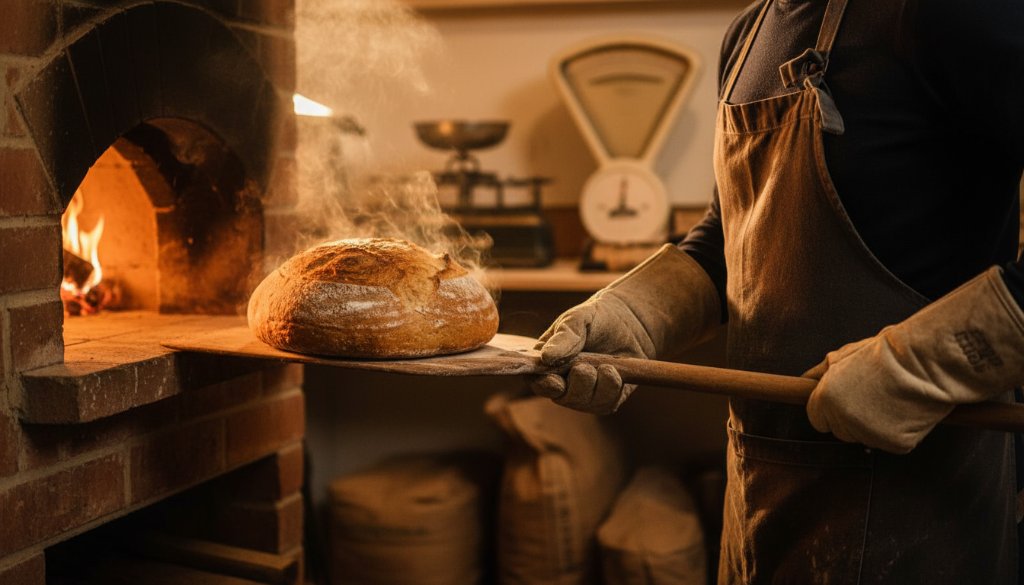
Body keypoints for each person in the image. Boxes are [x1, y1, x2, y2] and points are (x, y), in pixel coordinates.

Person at [531, 0, 1024, 582]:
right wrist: (639, 312)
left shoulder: (958, 14)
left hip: (918, 515)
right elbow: (732, 236)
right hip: (760, 501)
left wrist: (923, 364)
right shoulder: (749, 33)